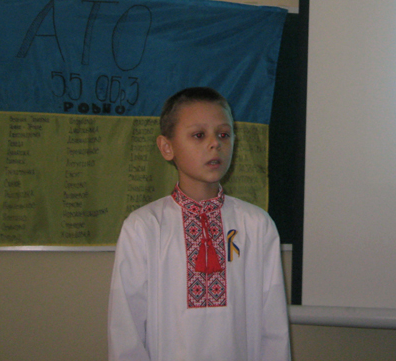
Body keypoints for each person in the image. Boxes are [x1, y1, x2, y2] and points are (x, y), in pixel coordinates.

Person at [108, 87, 291, 361]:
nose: (214, 144)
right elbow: (126, 329)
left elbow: (273, 326)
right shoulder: (144, 227)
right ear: (167, 147)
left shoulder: (256, 225)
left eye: (224, 134)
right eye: (199, 135)